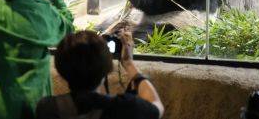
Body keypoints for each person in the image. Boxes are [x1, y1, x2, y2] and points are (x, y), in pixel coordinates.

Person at [36, 30, 164, 119]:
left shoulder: (47, 108)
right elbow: (157, 106)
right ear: (107, 68)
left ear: (60, 69)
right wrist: (129, 63)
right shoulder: (124, 108)